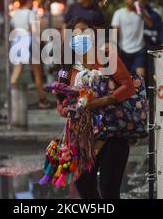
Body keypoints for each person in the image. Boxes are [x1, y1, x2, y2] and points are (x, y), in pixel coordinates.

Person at [57, 17, 135, 199]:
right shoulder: (67, 68)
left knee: (109, 189)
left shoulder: (107, 57)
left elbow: (128, 86)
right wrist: (66, 109)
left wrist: (104, 101)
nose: (82, 35)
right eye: (77, 33)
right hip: (81, 139)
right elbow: (60, 101)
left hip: (112, 134)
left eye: (86, 31)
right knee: (85, 189)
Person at [9, 0, 51, 109]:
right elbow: (35, 31)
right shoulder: (30, 13)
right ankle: (42, 100)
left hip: (17, 42)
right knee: (37, 73)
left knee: (16, 72)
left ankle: (10, 98)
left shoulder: (15, 14)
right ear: (29, 1)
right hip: (30, 43)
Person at [111, 0, 153, 76]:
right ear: (125, 0)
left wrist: (141, 11)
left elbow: (150, 24)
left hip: (139, 48)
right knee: (125, 76)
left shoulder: (141, 12)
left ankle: (141, 89)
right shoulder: (119, 13)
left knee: (140, 76)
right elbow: (115, 31)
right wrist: (114, 47)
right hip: (123, 49)